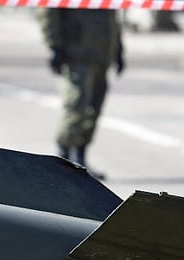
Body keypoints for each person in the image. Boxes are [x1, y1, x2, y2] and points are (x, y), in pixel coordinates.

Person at [37, 8, 124, 179]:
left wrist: (118, 50)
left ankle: (80, 160)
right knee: (76, 107)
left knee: (93, 109)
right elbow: (48, 10)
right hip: (76, 55)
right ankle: (62, 160)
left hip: (102, 54)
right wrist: (54, 45)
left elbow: (113, 17)